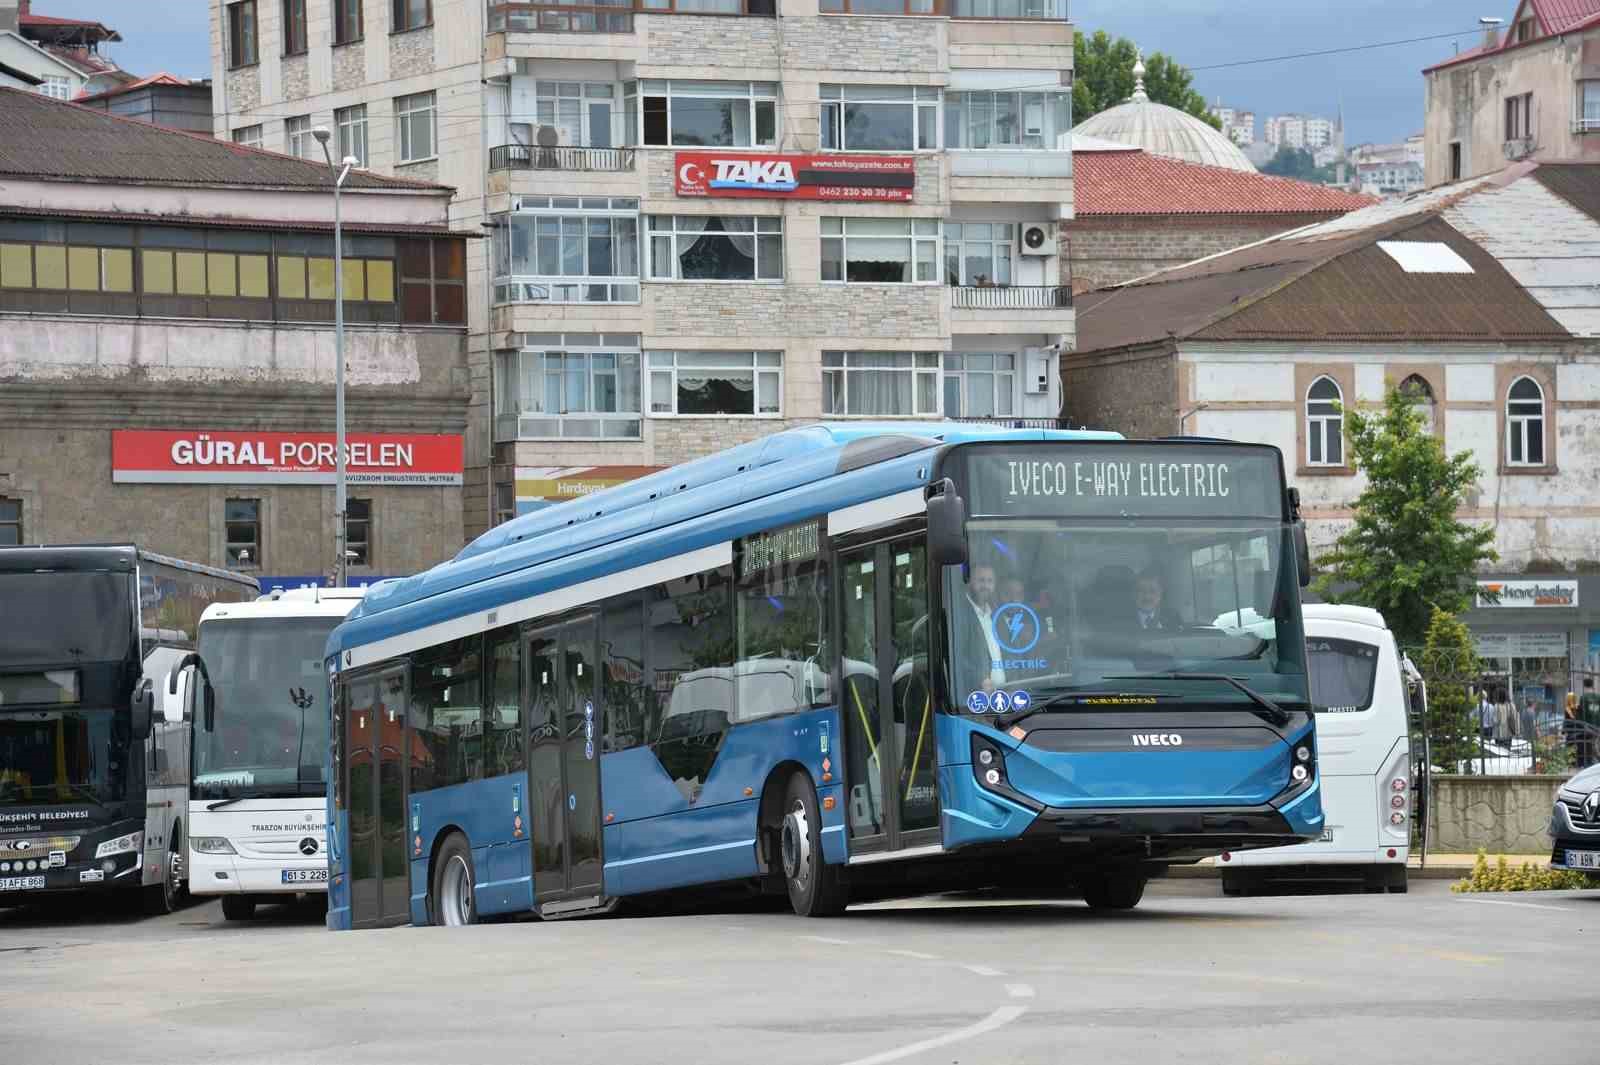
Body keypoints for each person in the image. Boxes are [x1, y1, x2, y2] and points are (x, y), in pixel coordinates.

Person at [953, 563, 1005, 694]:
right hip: (975, 699)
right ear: (969, 582)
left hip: (1005, 696)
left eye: (989, 581)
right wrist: (979, 679)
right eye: (981, 580)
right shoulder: (958, 613)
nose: (985, 586)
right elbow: (956, 655)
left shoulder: (997, 615)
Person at [1129, 568, 1182, 632]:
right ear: (1134, 594)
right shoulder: (1121, 622)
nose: (1147, 597)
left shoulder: (1173, 617)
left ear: (1161, 593)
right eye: (1141, 591)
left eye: (1152, 591)